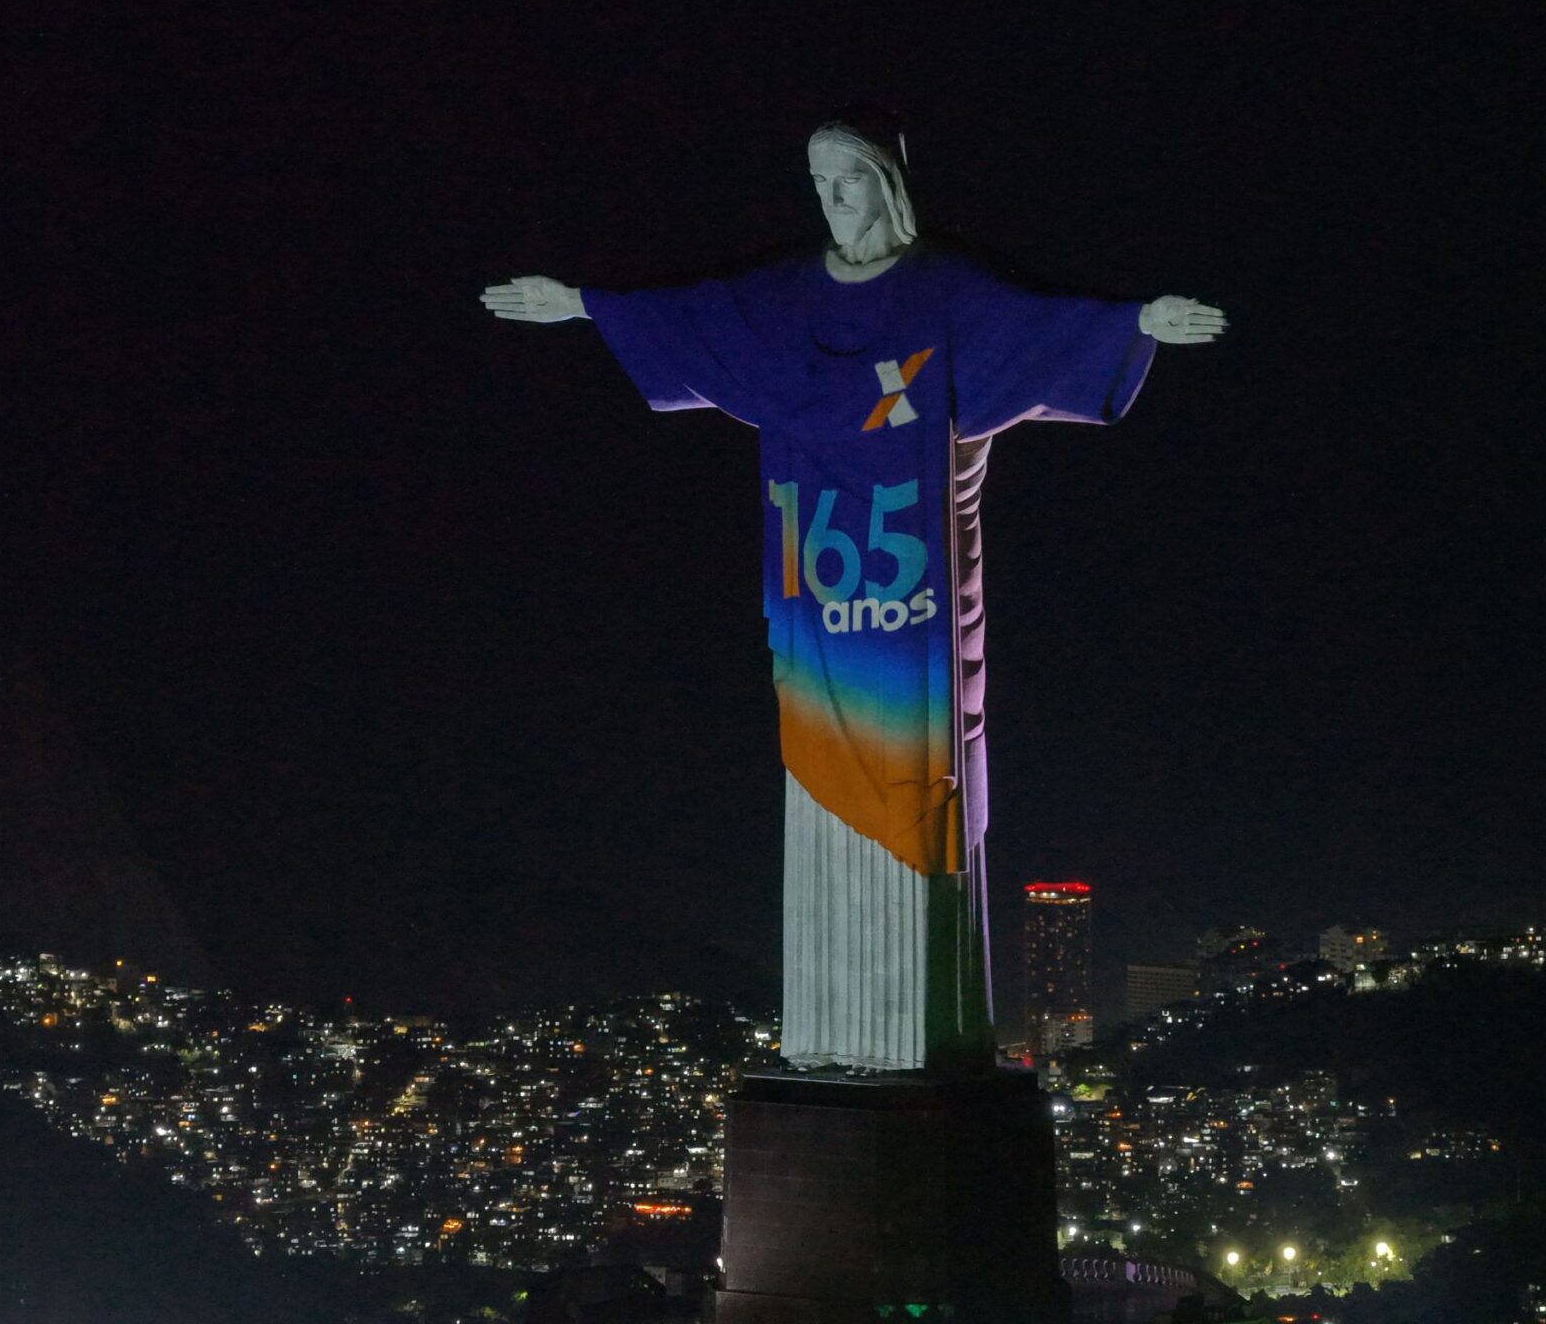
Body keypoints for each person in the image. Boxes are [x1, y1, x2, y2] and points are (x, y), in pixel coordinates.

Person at [481, 112, 1225, 1072]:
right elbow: (696, 316)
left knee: (927, 771)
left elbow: (1035, 330)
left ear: (888, 185)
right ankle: (840, 1040)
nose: (832, 200)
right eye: (819, 182)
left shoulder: (943, 286)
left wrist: (1137, 323)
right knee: (822, 759)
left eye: (849, 180)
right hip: (818, 587)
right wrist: (582, 304)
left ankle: (918, 1036)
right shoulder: (790, 296)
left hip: (912, 594)